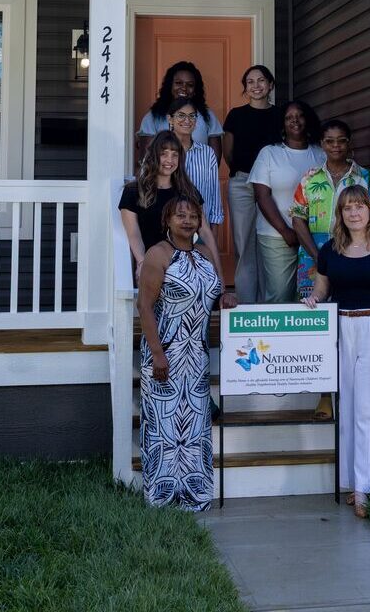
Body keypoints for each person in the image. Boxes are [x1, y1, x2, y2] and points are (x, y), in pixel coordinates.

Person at [303, 185, 370, 518]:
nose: (353, 212)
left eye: (359, 206)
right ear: (340, 214)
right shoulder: (331, 250)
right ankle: (354, 481)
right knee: (348, 405)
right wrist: (314, 299)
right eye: (347, 208)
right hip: (343, 327)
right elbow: (322, 286)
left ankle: (368, 486)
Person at [138, 195, 221, 511]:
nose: (187, 220)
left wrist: (224, 301)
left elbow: (210, 292)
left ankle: (195, 494)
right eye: (180, 215)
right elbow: (144, 306)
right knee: (164, 427)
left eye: (193, 216)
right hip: (166, 353)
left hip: (197, 355)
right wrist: (158, 353)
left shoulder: (203, 254)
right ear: (167, 221)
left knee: (194, 427)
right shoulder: (158, 255)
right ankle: (162, 496)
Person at [290, 119, 370, 299]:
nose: (336, 146)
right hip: (313, 255)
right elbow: (298, 218)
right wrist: (318, 257)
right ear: (322, 144)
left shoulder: (365, 178)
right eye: (330, 141)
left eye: (341, 140)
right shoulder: (310, 178)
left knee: (346, 304)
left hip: (352, 253)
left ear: (349, 142)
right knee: (313, 312)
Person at [249, 100, 323, 303]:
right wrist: (285, 231)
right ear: (282, 124)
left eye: (299, 116)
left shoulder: (320, 153)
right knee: (280, 296)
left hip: (314, 236)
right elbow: (262, 196)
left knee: (312, 296)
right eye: (289, 118)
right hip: (277, 236)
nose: (295, 121)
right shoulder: (269, 153)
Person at [223, 65, 285, 302]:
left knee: (271, 239)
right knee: (243, 241)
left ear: (270, 85)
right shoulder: (236, 115)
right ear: (245, 87)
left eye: (261, 81)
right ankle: (247, 303)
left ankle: (269, 302)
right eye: (250, 82)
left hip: (272, 186)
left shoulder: (280, 115)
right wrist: (244, 173)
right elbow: (228, 153)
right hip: (242, 183)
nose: (256, 85)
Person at [118, 131, 204, 275]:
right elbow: (133, 233)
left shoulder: (188, 190)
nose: (169, 160)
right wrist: (142, 263)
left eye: (174, 154)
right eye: (163, 153)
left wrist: (218, 271)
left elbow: (204, 231)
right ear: (153, 156)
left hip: (185, 267)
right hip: (152, 266)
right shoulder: (133, 191)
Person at [167, 102, 227, 279]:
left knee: (201, 280)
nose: (187, 120)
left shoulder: (207, 153)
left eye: (192, 116)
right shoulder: (161, 153)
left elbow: (213, 197)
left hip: (200, 229)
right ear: (170, 119)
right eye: (181, 115)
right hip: (168, 231)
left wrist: (212, 239)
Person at [136, 61, 222, 159]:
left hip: (198, 174)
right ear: (169, 86)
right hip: (164, 174)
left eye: (190, 85)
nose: (184, 88)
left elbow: (214, 160)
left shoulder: (208, 116)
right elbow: (146, 159)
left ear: (196, 90)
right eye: (178, 83)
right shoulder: (152, 117)